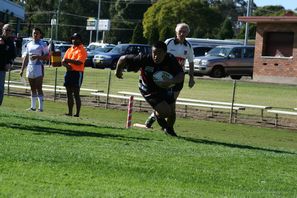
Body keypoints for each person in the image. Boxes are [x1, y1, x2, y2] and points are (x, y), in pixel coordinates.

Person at [115, 41, 184, 136]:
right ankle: (157, 117)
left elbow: (181, 75)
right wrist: (118, 71)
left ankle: (169, 130)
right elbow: (123, 58)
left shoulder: (170, 59)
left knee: (172, 111)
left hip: (166, 87)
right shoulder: (145, 58)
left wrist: (171, 81)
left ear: (165, 53)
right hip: (148, 89)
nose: (155, 56)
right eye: (154, 53)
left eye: (159, 53)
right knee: (165, 112)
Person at [145, 22, 195, 128]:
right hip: (164, 76)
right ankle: (161, 121)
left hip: (178, 78)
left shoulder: (188, 46)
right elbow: (158, 54)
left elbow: (191, 62)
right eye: (180, 31)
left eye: (184, 31)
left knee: (172, 102)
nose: (182, 33)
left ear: (187, 33)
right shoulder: (169, 42)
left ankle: (159, 120)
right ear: (176, 31)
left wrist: (191, 78)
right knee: (164, 102)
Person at [20, 27, 49, 112]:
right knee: (32, 87)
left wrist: (38, 56)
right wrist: (22, 69)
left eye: (37, 33)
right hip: (30, 67)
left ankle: (41, 108)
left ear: (40, 35)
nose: (35, 35)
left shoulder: (43, 44)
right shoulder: (29, 44)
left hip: (38, 67)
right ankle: (33, 107)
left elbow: (47, 57)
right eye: (34, 33)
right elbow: (26, 57)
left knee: (39, 87)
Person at [62, 33, 87, 117]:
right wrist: (67, 65)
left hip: (77, 73)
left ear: (80, 39)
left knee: (76, 93)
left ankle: (77, 113)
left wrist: (68, 60)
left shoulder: (82, 49)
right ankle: (69, 112)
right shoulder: (69, 49)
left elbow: (80, 62)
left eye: (76, 38)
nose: (74, 40)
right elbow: (63, 61)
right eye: (73, 38)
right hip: (69, 72)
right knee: (68, 93)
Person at [0, 24, 16, 106]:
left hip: (2, 68)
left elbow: (13, 55)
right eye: (6, 30)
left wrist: (10, 63)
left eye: (9, 30)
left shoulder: (11, 43)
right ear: (2, 30)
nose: (8, 32)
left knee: (1, 88)